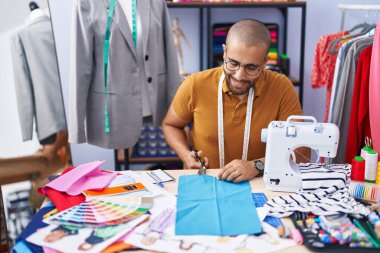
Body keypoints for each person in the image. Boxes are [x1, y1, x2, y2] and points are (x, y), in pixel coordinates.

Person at [162, 19, 304, 183]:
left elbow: (300, 150)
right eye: (233, 63)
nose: (239, 76)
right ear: (224, 52)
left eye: (251, 67)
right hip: (204, 182)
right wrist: (185, 154)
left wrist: (256, 166)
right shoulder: (195, 84)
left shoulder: (281, 88)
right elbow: (171, 125)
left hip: (260, 183)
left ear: (265, 62)